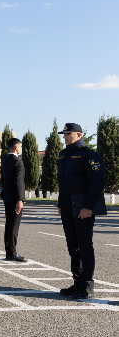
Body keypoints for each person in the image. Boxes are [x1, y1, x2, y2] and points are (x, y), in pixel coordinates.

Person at [57, 123, 105, 299]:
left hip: (82, 206)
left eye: (68, 134)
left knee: (84, 246)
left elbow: (97, 183)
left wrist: (89, 207)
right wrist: (61, 204)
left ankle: (87, 285)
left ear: (79, 134)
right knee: (73, 246)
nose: (65, 137)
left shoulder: (89, 155)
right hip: (68, 206)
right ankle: (77, 282)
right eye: (64, 134)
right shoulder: (63, 155)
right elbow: (62, 183)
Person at [1, 138, 27, 262]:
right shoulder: (18, 162)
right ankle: (12, 252)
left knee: (9, 224)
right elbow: (19, 182)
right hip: (15, 198)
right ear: (16, 147)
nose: (20, 148)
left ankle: (8, 251)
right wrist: (20, 199)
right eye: (20, 146)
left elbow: (4, 180)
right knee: (14, 225)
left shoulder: (6, 161)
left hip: (7, 197)